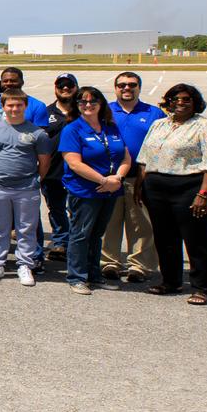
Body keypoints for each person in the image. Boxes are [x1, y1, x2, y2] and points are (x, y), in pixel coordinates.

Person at [135, 84, 207, 305]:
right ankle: (170, 281)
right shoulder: (159, 125)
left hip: (190, 187)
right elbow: (145, 159)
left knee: (197, 239)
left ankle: (202, 287)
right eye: (175, 99)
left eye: (186, 99)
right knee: (165, 237)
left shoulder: (206, 127)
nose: (180, 103)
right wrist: (140, 187)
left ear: (195, 102)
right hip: (156, 187)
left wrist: (203, 194)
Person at [56, 85, 131, 294]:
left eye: (92, 101)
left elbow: (125, 157)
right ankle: (77, 277)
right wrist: (103, 180)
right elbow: (74, 163)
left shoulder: (111, 127)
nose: (88, 105)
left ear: (101, 104)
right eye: (82, 101)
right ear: (77, 105)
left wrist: (118, 177)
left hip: (110, 190)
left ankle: (93, 274)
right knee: (80, 234)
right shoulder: (72, 129)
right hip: (85, 191)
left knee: (97, 234)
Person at [0, 92, 53, 285]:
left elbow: (44, 162)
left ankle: (25, 265)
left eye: (18, 105)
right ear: (3, 107)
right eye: (10, 105)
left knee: (27, 229)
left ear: (25, 106)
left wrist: (36, 179)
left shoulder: (37, 133)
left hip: (27, 188)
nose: (14, 109)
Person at [103, 71, 164, 284]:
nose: (126, 88)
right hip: (110, 176)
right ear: (115, 87)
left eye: (131, 85)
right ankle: (109, 262)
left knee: (141, 223)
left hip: (140, 176)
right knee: (110, 221)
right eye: (122, 85)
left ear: (139, 87)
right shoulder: (106, 111)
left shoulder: (154, 113)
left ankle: (139, 265)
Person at [41, 73, 82, 262]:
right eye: (61, 85)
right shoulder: (45, 112)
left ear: (76, 87)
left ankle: (77, 243)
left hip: (79, 171)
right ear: (55, 87)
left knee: (78, 210)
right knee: (56, 208)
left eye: (70, 85)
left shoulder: (84, 111)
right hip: (52, 170)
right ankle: (60, 242)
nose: (65, 89)